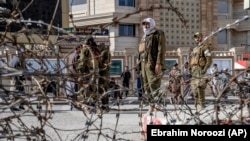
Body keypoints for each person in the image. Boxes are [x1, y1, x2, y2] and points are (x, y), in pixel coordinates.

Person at [138, 17, 166, 112]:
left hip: (152, 63)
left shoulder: (158, 33)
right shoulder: (144, 37)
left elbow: (161, 49)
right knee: (146, 86)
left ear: (152, 24)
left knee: (154, 83)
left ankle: (158, 103)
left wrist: (159, 63)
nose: (146, 26)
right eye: (144, 24)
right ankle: (151, 105)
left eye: (147, 24)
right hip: (143, 64)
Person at [78, 33, 111, 113]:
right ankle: (96, 105)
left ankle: (88, 107)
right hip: (96, 73)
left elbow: (82, 62)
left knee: (86, 89)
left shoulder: (86, 49)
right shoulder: (96, 50)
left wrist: (80, 71)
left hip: (88, 73)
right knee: (95, 89)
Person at [189, 32, 212, 111]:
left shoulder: (205, 47)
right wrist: (190, 69)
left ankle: (202, 104)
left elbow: (209, 60)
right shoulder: (195, 49)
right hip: (194, 70)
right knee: (195, 89)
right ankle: (197, 104)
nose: (196, 39)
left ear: (201, 37)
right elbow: (192, 60)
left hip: (200, 69)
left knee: (200, 87)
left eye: (198, 37)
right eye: (195, 37)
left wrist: (205, 69)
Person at [66, 45, 81, 110]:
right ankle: (74, 104)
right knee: (74, 90)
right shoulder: (77, 56)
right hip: (74, 75)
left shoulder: (69, 55)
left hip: (69, 74)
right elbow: (76, 66)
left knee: (70, 89)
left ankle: (71, 104)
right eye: (80, 48)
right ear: (78, 48)